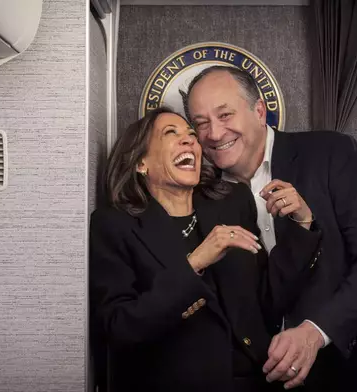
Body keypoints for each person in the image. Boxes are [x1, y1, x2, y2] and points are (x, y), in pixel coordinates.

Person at [184, 66, 357, 392]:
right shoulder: (204, 200)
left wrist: (315, 332)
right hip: (278, 378)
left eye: (225, 115)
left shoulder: (333, 153)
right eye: (201, 123)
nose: (214, 133)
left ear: (259, 110)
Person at [89, 107, 322, 392]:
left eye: (190, 134)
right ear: (141, 163)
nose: (189, 141)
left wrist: (303, 225)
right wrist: (195, 263)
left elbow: (268, 301)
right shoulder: (114, 225)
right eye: (170, 134)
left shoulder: (233, 203)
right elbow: (119, 327)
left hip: (256, 380)